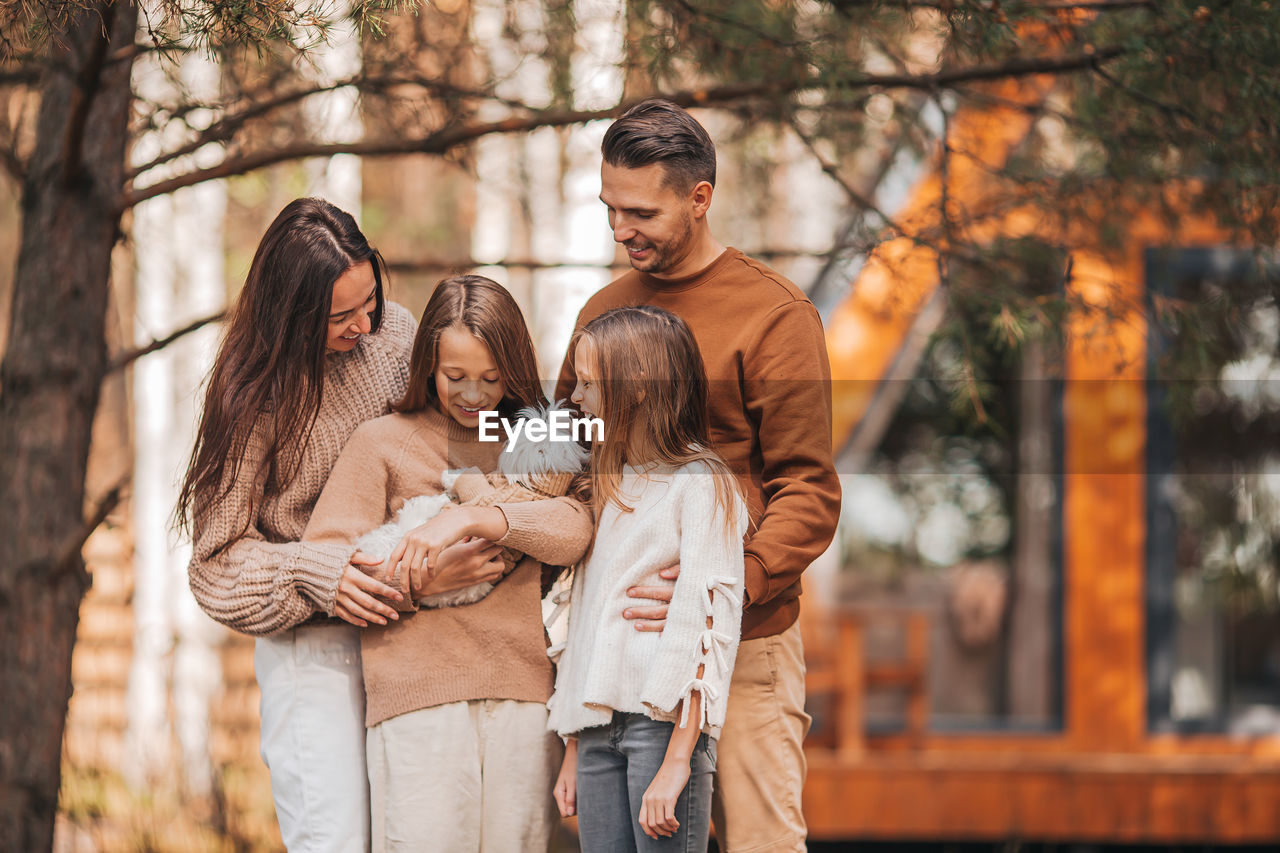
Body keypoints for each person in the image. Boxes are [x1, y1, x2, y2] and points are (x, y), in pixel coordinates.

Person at [554, 100, 842, 853]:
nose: (621, 230)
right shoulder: (603, 313)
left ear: (699, 198)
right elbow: (568, 460)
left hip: (745, 644)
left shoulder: (773, 316)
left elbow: (808, 490)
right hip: (620, 657)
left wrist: (722, 590)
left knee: (759, 843)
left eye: (640, 211)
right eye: (610, 208)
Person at [179, 199, 506, 851]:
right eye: (339, 316)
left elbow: (451, 445)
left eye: (370, 301)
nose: (362, 324)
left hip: (416, 638)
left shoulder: (399, 333)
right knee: (336, 841)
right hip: (316, 653)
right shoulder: (253, 395)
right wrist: (315, 568)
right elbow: (214, 562)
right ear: (291, 314)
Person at [303, 274, 594, 853]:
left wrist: (474, 518)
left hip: (525, 699)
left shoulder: (539, 442)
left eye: (491, 378)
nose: (473, 395)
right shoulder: (382, 442)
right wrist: (420, 580)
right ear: (426, 366)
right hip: (417, 700)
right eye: (454, 377)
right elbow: (324, 567)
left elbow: (576, 530)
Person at [549, 305, 749, 852]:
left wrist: (680, 758)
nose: (576, 397)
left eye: (589, 383)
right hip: (595, 735)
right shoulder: (610, 484)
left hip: (661, 732)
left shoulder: (701, 484)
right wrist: (573, 743)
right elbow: (585, 614)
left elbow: (706, 625)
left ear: (636, 388)